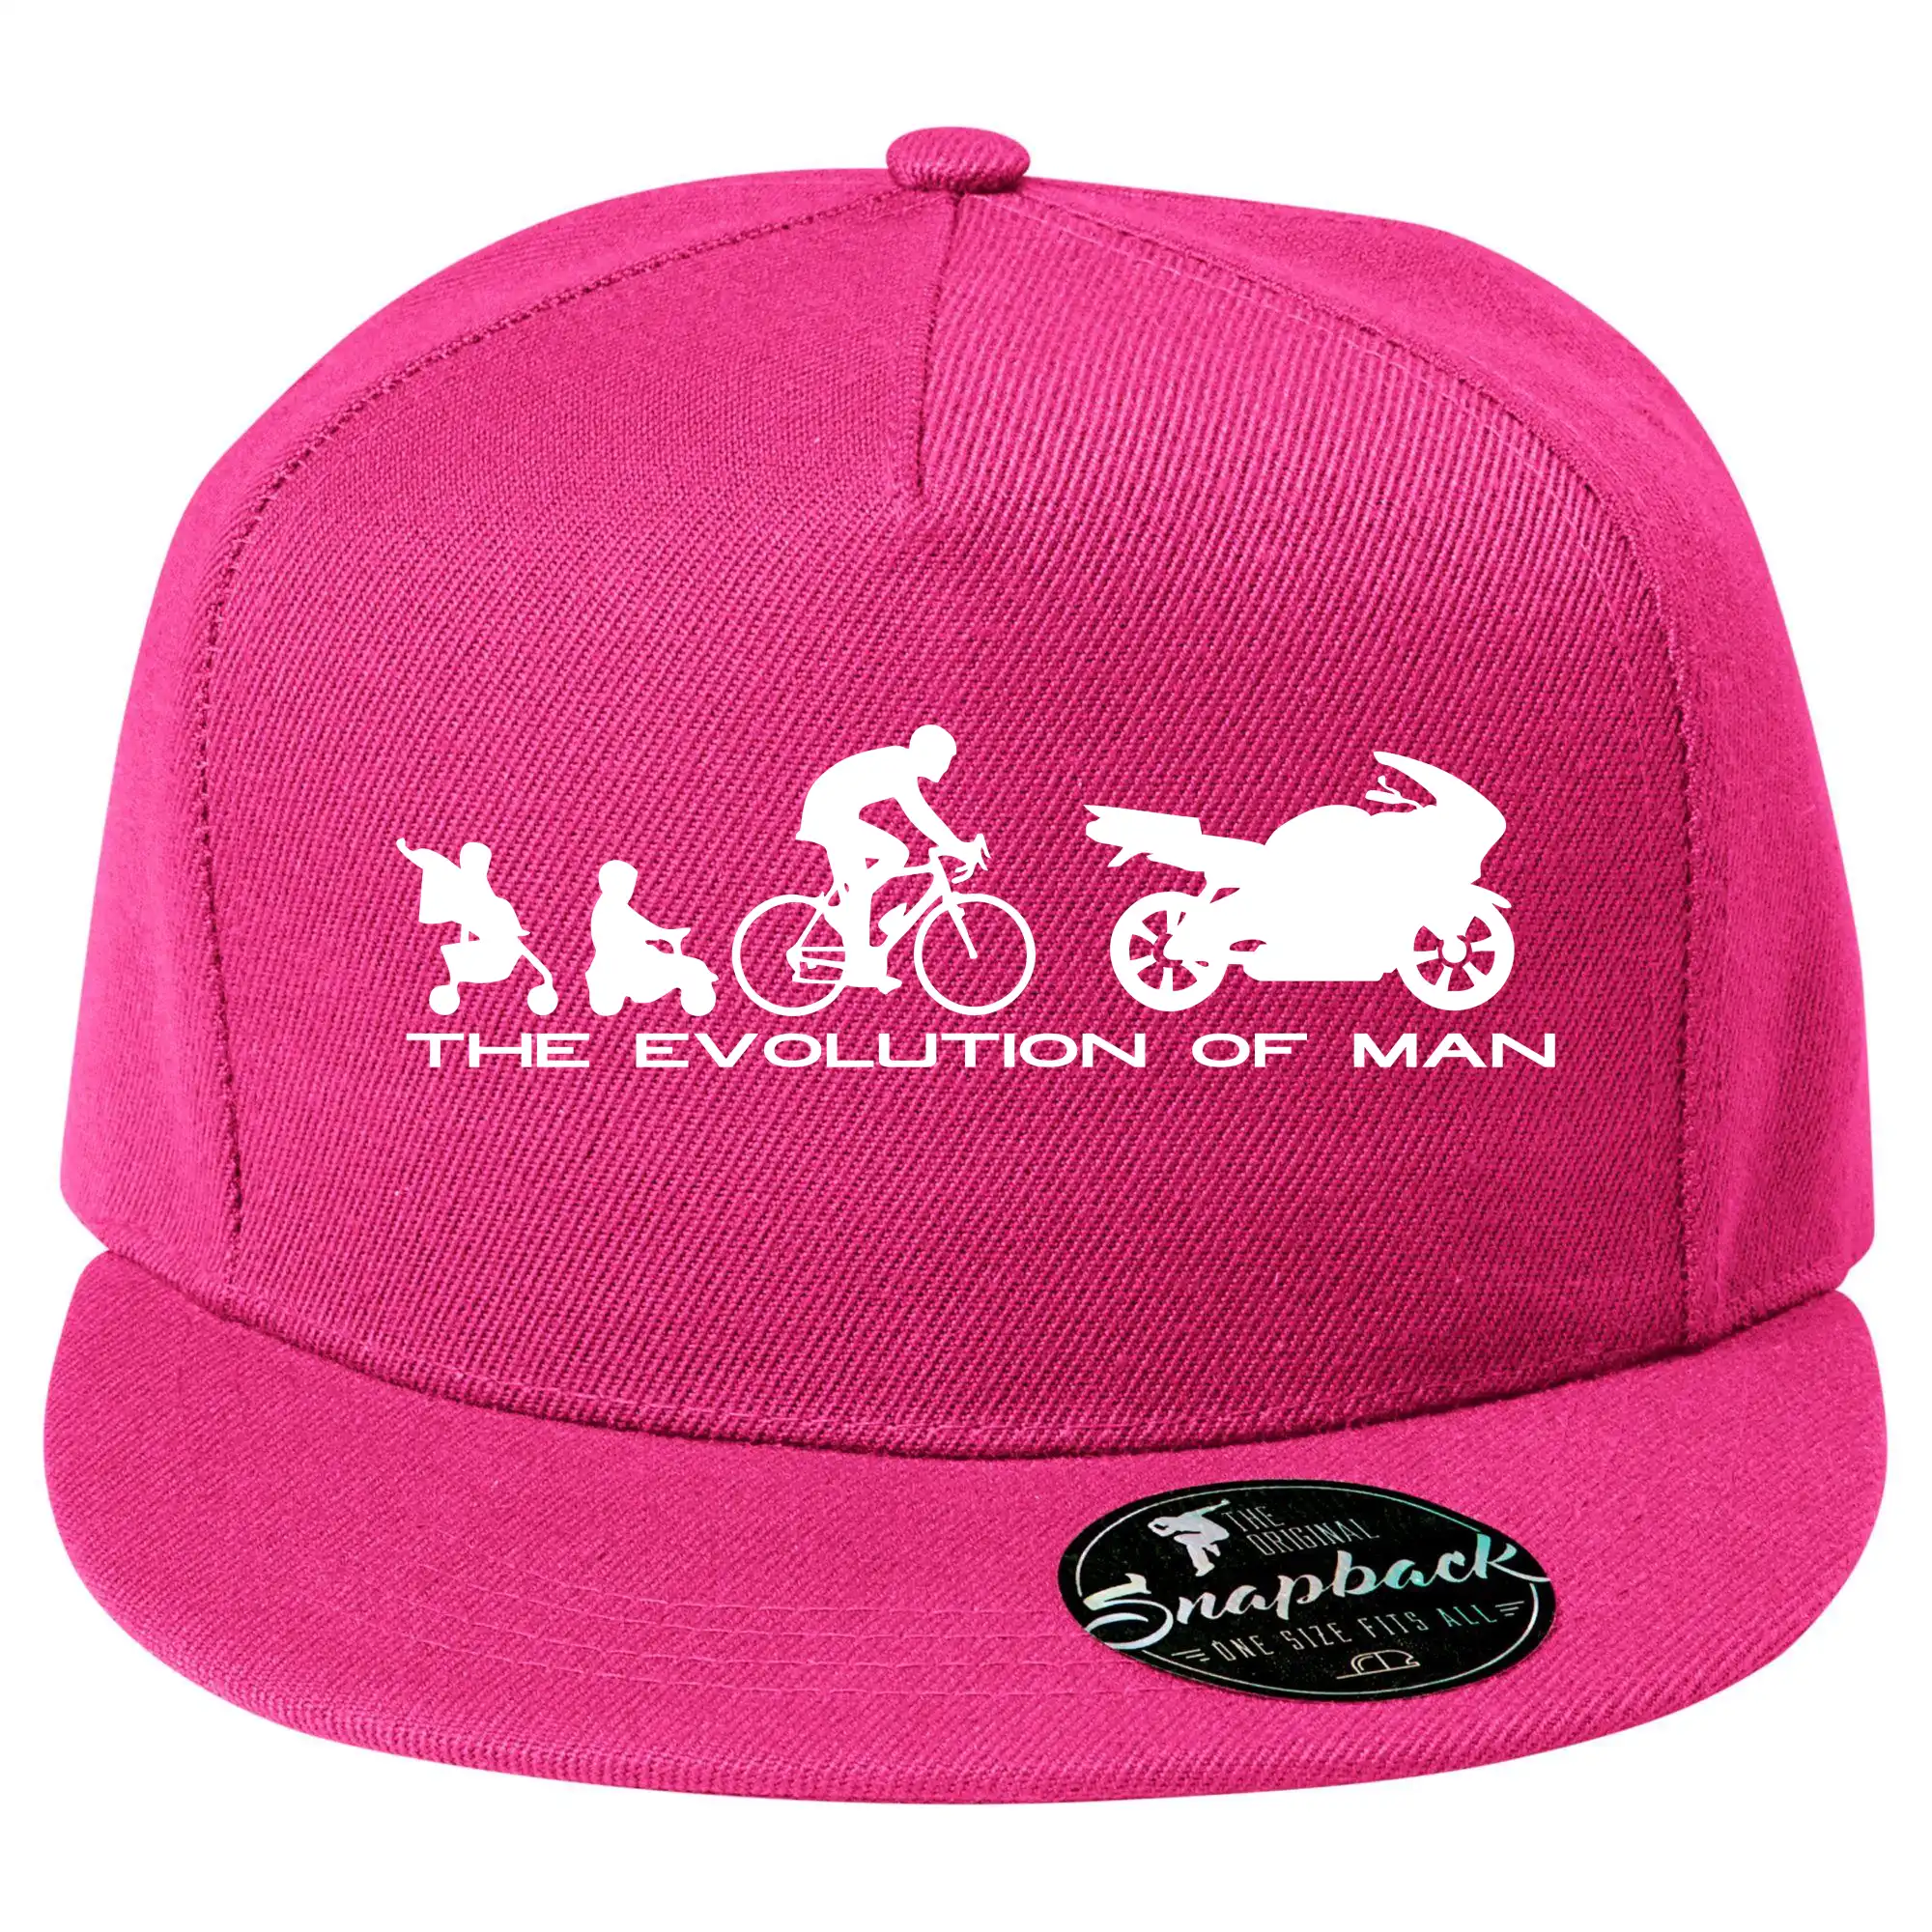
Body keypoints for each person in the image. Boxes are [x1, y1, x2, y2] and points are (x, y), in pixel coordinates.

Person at [795, 724, 981, 992]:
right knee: (891, 858)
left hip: (834, 814)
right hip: (829, 816)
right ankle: (849, 924)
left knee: (866, 885)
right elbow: (920, 815)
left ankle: (858, 954)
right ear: (928, 754)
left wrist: (956, 846)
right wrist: (957, 847)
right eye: (944, 759)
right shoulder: (899, 765)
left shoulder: (900, 762)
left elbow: (921, 814)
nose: (946, 766)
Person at [396, 838, 557, 1015]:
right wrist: (409, 853)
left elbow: (435, 863)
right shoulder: (466, 888)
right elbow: (434, 863)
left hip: (498, 947)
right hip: (495, 948)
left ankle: (454, 987)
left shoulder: (482, 894)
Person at [584, 859, 717, 1017]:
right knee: (690, 967)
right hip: (629, 960)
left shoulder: (614, 906)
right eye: (626, 885)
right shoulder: (612, 908)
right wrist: (664, 934)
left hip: (633, 957)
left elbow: (642, 926)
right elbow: (641, 928)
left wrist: (665, 934)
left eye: (630, 885)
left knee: (683, 966)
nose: (629, 890)